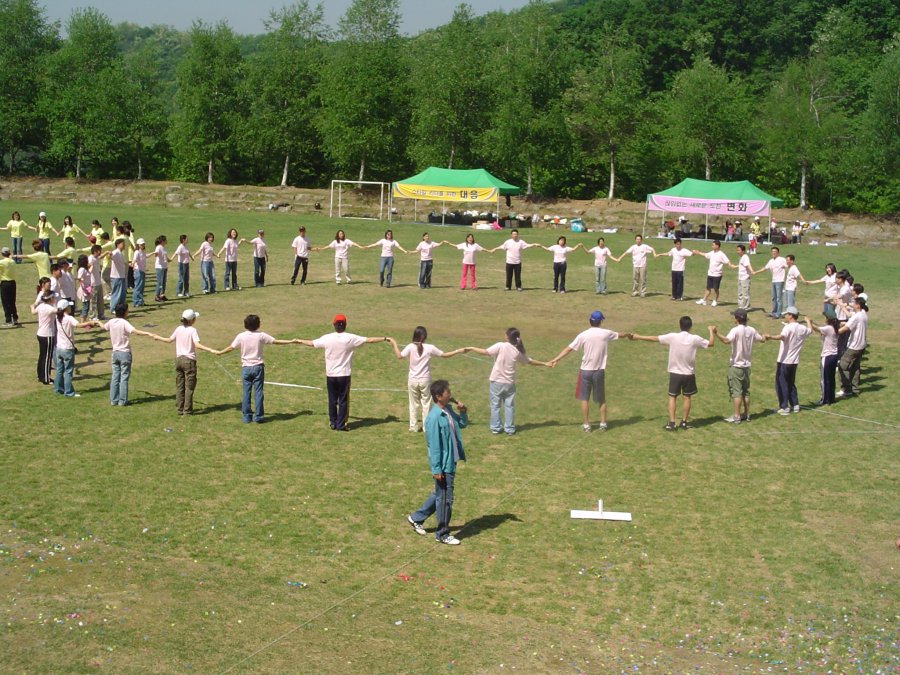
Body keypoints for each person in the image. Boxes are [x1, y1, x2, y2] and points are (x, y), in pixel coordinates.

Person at [296, 314, 395, 431]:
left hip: (331, 375)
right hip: (344, 375)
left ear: (334, 325)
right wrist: (384, 338)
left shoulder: (327, 338)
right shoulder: (350, 338)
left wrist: (298, 340)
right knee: (343, 400)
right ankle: (341, 424)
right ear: (345, 325)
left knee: (332, 399)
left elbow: (312, 343)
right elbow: (369, 340)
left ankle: (333, 422)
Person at [406, 379, 468, 546]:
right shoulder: (433, 418)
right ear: (439, 396)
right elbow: (433, 446)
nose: (450, 394)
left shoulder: (447, 410)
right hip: (443, 465)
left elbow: (462, 424)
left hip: (451, 462)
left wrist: (462, 411)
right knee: (445, 499)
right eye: (447, 392)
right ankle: (442, 533)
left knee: (439, 494)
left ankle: (416, 518)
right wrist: (436, 469)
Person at [629, 316, 715, 431]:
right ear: (690, 326)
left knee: (672, 397)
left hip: (675, 373)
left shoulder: (673, 337)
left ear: (680, 325)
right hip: (689, 373)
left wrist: (638, 336)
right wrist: (711, 330)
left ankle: (672, 423)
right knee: (687, 397)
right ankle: (684, 422)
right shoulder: (695, 338)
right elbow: (711, 343)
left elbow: (655, 338)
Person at [462, 327, 548, 435]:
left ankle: (496, 428)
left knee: (495, 406)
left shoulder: (500, 345)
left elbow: (485, 352)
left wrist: (471, 348)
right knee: (509, 406)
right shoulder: (517, 350)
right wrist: (545, 363)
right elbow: (529, 361)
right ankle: (509, 429)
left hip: (496, 382)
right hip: (509, 384)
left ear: (507, 336)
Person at [548, 310, 624, 432]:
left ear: (590, 321)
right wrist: (630, 335)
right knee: (601, 399)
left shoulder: (583, 335)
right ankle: (603, 423)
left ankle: (586, 425)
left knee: (584, 399)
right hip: (599, 371)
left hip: (585, 371)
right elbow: (621, 334)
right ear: (601, 321)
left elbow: (569, 349)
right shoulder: (606, 333)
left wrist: (556, 359)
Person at [215, 314, 295, 423]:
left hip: (246, 368)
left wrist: (220, 352)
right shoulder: (261, 335)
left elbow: (231, 347)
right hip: (258, 368)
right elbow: (276, 341)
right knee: (258, 392)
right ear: (258, 325)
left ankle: (247, 417)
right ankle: (258, 417)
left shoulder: (241, 336)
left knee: (246, 393)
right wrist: (291, 341)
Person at [390, 326, 465, 432]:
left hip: (412, 380)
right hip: (425, 381)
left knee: (413, 404)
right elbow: (444, 355)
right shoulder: (429, 347)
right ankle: (426, 427)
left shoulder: (410, 346)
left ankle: (413, 426)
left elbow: (399, 356)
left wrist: (393, 343)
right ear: (425, 336)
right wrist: (458, 351)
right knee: (426, 404)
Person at [147, 309, 217, 415]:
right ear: (191, 320)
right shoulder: (192, 330)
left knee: (180, 385)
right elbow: (197, 345)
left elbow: (169, 340)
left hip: (178, 360)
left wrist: (157, 337)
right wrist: (211, 350)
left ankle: (179, 408)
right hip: (189, 361)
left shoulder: (179, 329)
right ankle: (187, 410)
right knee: (189, 386)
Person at [712, 309, 766, 423]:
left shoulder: (736, 330)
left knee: (736, 392)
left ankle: (736, 416)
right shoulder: (751, 330)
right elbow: (761, 339)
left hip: (736, 366)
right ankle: (746, 414)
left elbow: (727, 341)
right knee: (745, 392)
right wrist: (766, 336)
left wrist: (716, 333)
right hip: (746, 367)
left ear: (737, 319)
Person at [101, 303, 153, 406]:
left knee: (115, 376)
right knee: (124, 377)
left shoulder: (111, 322)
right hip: (125, 353)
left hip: (115, 353)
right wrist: (148, 333)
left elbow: (103, 327)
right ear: (125, 312)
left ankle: (113, 400)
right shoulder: (124, 323)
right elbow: (135, 331)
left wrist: (97, 322)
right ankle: (122, 401)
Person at [765, 305, 811, 415]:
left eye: (786, 314)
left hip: (784, 360)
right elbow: (810, 330)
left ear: (791, 316)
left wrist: (770, 337)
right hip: (794, 361)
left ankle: (784, 407)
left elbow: (782, 337)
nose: (785, 316)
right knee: (791, 383)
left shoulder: (788, 328)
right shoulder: (801, 328)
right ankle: (795, 404)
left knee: (782, 384)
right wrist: (808, 321)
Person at [53, 299, 94, 397]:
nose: (71, 307)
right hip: (67, 348)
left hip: (59, 348)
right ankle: (69, 392)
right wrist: (90, 322)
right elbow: (79, 325)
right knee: (68, 371)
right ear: (66, 308)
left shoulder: (57, 317)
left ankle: (58, 389)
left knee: (59, 370)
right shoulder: (68, 318)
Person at [836, 296, 868, 398]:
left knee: (842, 366)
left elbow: (845, 329)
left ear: (858, 305)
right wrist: (842, 306)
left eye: (854, 303)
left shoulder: (857, 316)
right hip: (861, 346)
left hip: (854, 346)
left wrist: (833, 332)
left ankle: (846, 389)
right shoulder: (863, 314)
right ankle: (855, 388)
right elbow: (853, 321)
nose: (852, 304)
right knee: (855, 367)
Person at [807, 314, 840, 405]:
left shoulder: (829, 328)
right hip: (834, 356)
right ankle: (831, 398)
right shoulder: (834, 328)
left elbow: (817, 329)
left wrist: (808, 322)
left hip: (827, 356)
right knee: (831, 378)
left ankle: (824, 399)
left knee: (824, 379)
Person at [30, 291, 57, 384]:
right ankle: (46, 378)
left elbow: (33, 312)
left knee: (42, 356)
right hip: (47, 335)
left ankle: (40, 375)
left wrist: (32, 306)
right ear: (50, 299)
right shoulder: (50, 308)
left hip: (40, 334)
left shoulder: (41, 306)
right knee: (47, 357)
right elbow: (59, 311)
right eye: (53, 298)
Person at [693, 240, 730, 307]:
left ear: (717, 246)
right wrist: (698, 252)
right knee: (708, 288)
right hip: (710, 274)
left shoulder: (721, 254)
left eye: (713, 245)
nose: (712, 246)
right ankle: (704, 300)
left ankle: (715, 301)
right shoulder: (712, 253)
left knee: (716, 289)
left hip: (717, 275)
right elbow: (705, 254)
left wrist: (732, 266)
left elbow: (727, 261)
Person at [755, 246, 787, 318]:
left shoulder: (782, 259)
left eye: (775, 252)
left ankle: (778, 313)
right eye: (772, 252)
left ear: (778, 253)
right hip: (773, 281)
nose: (773, 253)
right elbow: (765, 268)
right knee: (773, 297)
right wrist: (756, 272)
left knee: (779, 298)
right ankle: (773, 312)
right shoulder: (771, 261)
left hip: (780, 281)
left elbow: (788, 265)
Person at [0, 247, 19, 327]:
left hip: (5, 283)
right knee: (12, 301)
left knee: (5, 302)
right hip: (13, 283)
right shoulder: (13, 262)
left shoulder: (2, 262)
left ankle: (8, 320)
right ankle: (15, 318)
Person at [153, 235, 172, 302]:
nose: (166, 241)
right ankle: (157, 296)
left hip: (164, 266)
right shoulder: (159, 247)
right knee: (160, 282)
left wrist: (168, 260)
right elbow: (156, 253)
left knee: (163, 282)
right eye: (165, 240)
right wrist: (156, 254)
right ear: (162, 241)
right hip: (159, 267)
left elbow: (165, 256)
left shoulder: (163, 248)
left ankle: (162, 295)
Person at [131, 238, 147, 307]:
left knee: (141, 287)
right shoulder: (137, 252)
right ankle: (136, 301)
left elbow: (145, 256)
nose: (143, 245)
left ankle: (140, 301)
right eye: (141, 244)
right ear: (138, 245)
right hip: (138, 271)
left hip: (142, 270)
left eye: (143, 244)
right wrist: (133, 264)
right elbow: (134, 259)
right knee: (138, 287)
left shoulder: (142, 252)